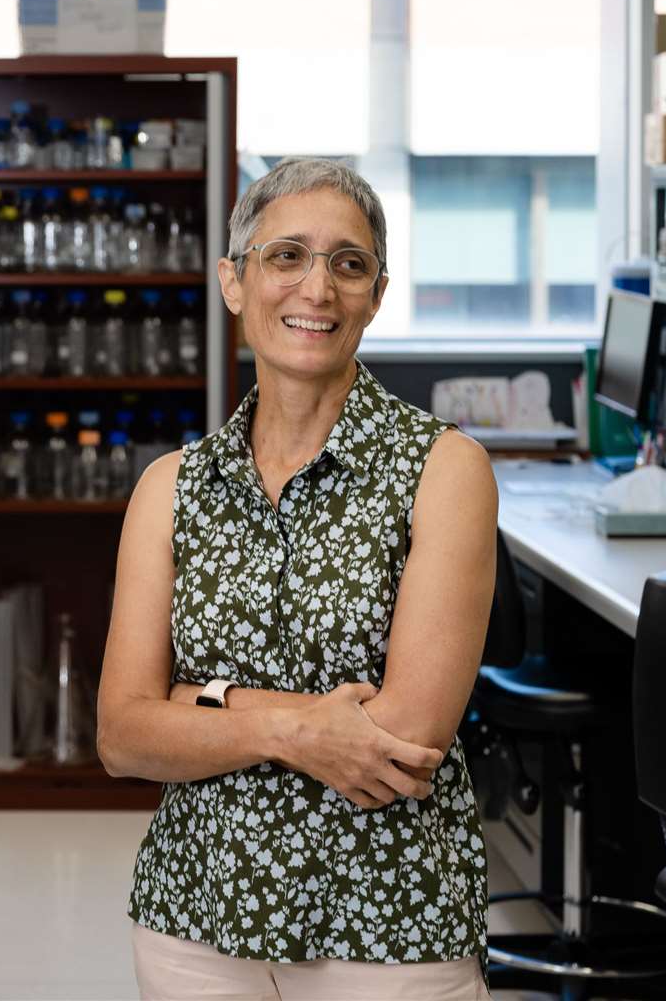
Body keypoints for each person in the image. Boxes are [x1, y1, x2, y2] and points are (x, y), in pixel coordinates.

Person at [97, 158, 497, 1000]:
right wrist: (300, 731)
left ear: (376, 294)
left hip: (387, 919)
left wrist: (205, 701)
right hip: (194, 916)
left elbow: (403, 742)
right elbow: (124, 735)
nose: (316, 288)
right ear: (233, 282)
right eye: (286, 256)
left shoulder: (444, 470)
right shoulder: (171, 486)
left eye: (347, 264)